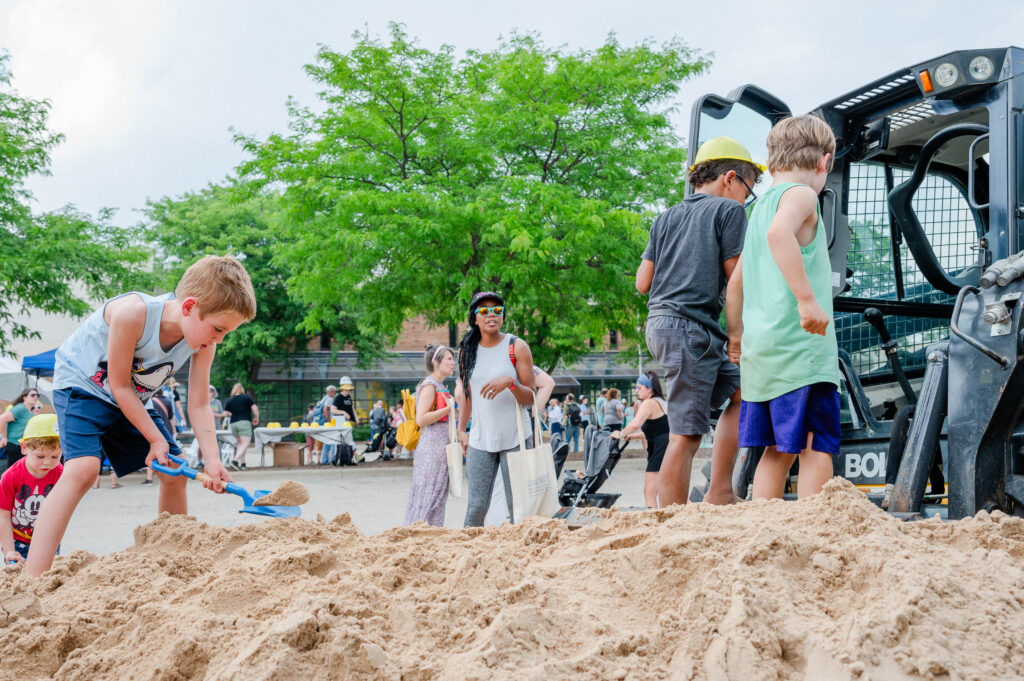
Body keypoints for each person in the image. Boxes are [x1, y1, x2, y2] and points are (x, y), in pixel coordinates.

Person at [25, 255, 256, 577]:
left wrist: (213, 460)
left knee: (176, 471)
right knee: (83, 470)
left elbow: (200, 404)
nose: (218, 339)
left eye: (226, 333)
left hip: (134, 398)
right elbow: (119, 385)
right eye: (217, 329)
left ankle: (172, 564)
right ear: (189, 306)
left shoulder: (204, 344)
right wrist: (154, 438)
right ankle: (33, 576)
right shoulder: (132, 313)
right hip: (83, 386)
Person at [636, 136, 764, 507]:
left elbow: (643, 282)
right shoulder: (729, 212)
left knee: (745, 392)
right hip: (690, 329)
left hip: (662, 325)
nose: (745, 200)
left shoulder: (666, 217)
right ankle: (673, 521)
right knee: (686, 434)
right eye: (748, 190)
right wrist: (740, 332)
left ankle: (720, 490)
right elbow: (735, 277)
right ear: (729, 178)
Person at [726, 115, 840, 500]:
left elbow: (735, 285)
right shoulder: (802, 196)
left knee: (776, 451)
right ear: (823, 162)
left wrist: (736, 337)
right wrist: (807, 300)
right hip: (801, 351)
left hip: (763, 355)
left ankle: (765, 527)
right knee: (815, 445)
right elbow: (781, 235)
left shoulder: (758, 211)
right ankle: (815, 526)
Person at [457, 291, 536, 527]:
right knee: (476, 507)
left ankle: (523, 558)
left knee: (518, 507)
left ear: (502, 315)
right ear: (475, 318)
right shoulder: (465, 352)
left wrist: (510, 383)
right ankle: (466, 557)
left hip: (516, 438)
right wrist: (462, 429)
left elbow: (531, 397)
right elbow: (468, 397)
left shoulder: (517, 346)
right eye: (484, 311)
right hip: (481, 439)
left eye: (497, 310)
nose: (491, 314)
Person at [403, 343, 456, 526]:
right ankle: (421, 530)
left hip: (439, 447)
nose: (452, 363)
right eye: (449, 359)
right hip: (432, 447)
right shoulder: (430, 386)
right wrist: (448, 409)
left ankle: (429, 530)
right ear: (437, 363)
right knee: (429, 492)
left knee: (437, 493)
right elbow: (421, 419)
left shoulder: (439, 385)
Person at [0, 414, 63, 564]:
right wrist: (9, 550)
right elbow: (3, 516)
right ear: (24, 448)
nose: (47, 463)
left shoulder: (61, 474)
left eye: (55, 457)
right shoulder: (11, 477)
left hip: (48, 538)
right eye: (40, 456)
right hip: (18, 541)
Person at [611, 372, 669, 508]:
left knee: (649, 492)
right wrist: (633, 436)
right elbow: (658, 430)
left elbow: (635, 424)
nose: (636, 391)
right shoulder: (661, 402)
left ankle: (652, 521)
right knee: (664, 490)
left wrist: (620, 434)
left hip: (659, 450)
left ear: (649, 388)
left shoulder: (649, 403)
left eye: (639, 387)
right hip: (665, 446)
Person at [1, 388, 40, 472]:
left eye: (37, 395)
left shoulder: (30, 411)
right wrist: (4, 437)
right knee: (12, 472)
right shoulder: (20, 408)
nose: (36, 397)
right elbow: (2, 419)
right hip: (15, 445)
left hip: (23, 445)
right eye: (33, 395)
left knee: (20, 471)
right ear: (24, 397)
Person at [224, 383, 258, 471]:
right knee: (246, 443)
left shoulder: (230, 400)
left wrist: (233, 413)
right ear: (242, 390)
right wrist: (256, 417)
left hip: (233, 423)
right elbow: (254, 408)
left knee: (240, 444)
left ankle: (243, 464)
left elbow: (225, 414)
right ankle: (234, 461)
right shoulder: (246, 397)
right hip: (244, 422)